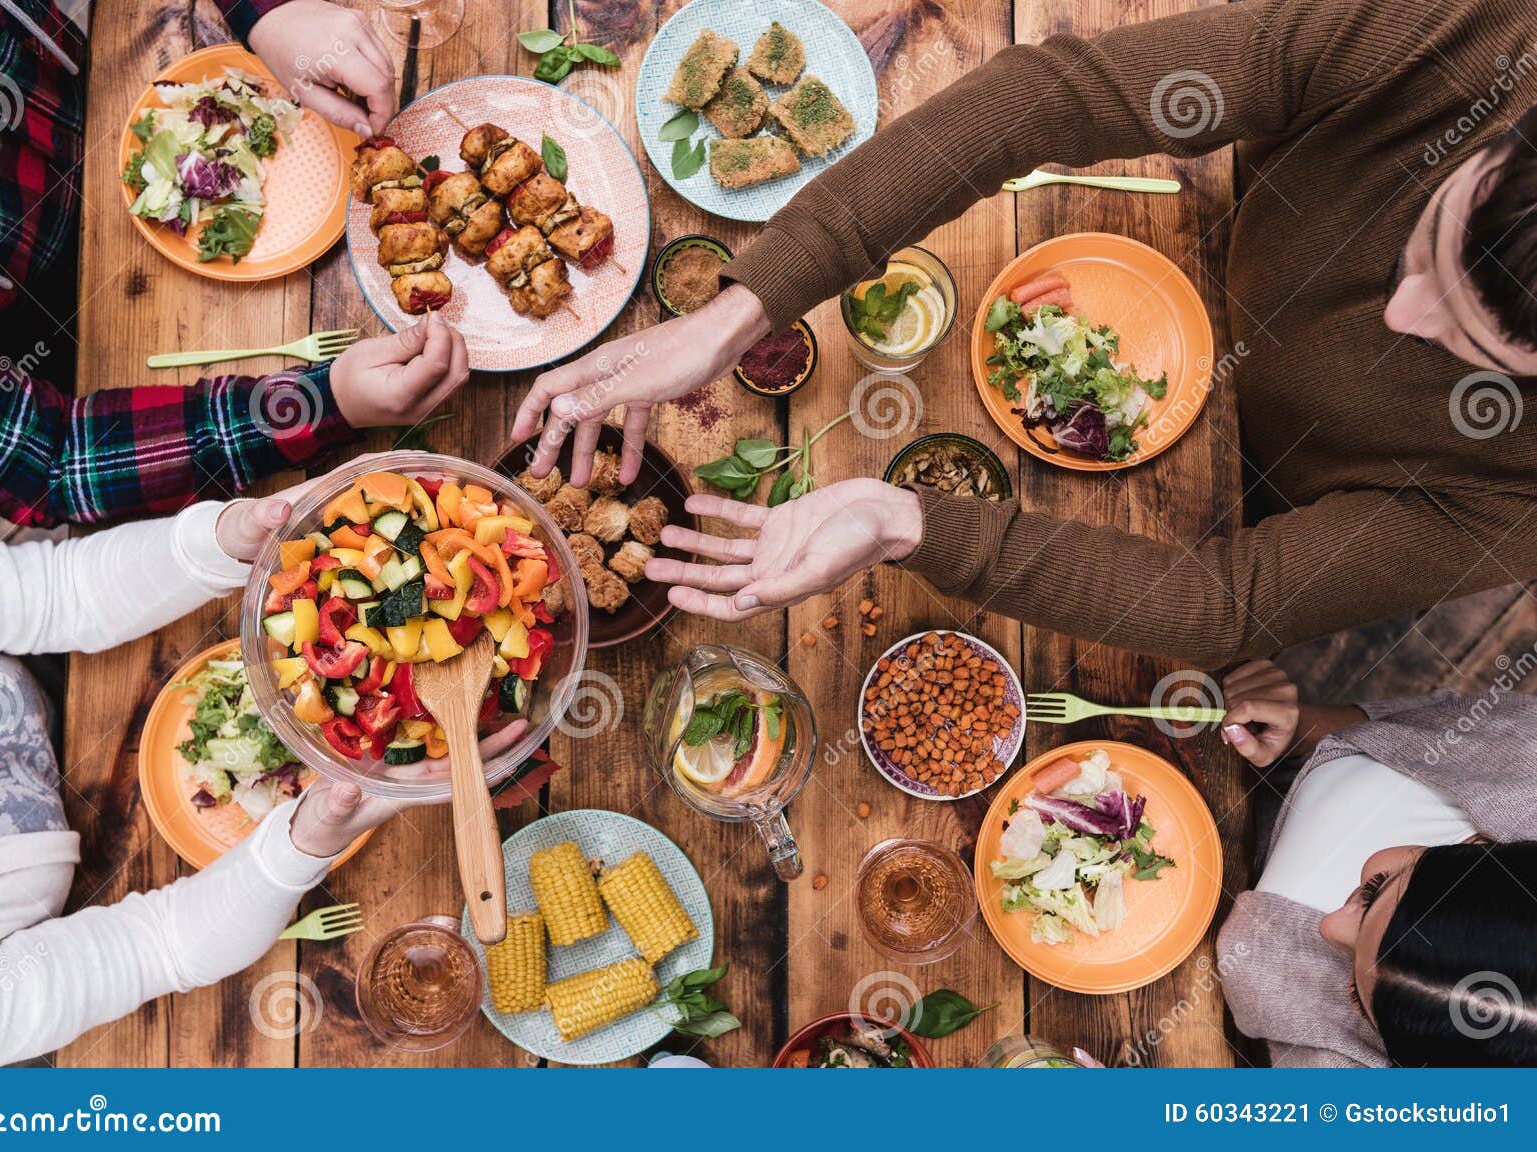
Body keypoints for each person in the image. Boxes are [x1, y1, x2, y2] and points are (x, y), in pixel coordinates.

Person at [515, 0, 1537, 669]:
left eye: (1472, 348)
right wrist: (743, 307)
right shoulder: (1472, 34)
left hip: (1295, 493)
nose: (1398, 319)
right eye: (1428, 242)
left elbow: (1227, 603)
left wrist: (907, 524)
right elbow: (1058, 99)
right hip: (1213, 236)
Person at [0, 459, 526, 1067]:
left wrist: (219, 542)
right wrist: (303, 839)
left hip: (45, 682)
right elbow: (161, 946)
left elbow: (58, 593)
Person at [0, 0, 468, 527]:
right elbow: (47, 463)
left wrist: (266, 13)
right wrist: (324, 404)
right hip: (10, 338)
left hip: (91, 108)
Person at [1213, 661, 1537, 1067]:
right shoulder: (1527, 753)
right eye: (1375, 889)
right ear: (1477, 847)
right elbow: (1428, 718)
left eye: (1355, 995)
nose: (1328, 927)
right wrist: (1302, 731)